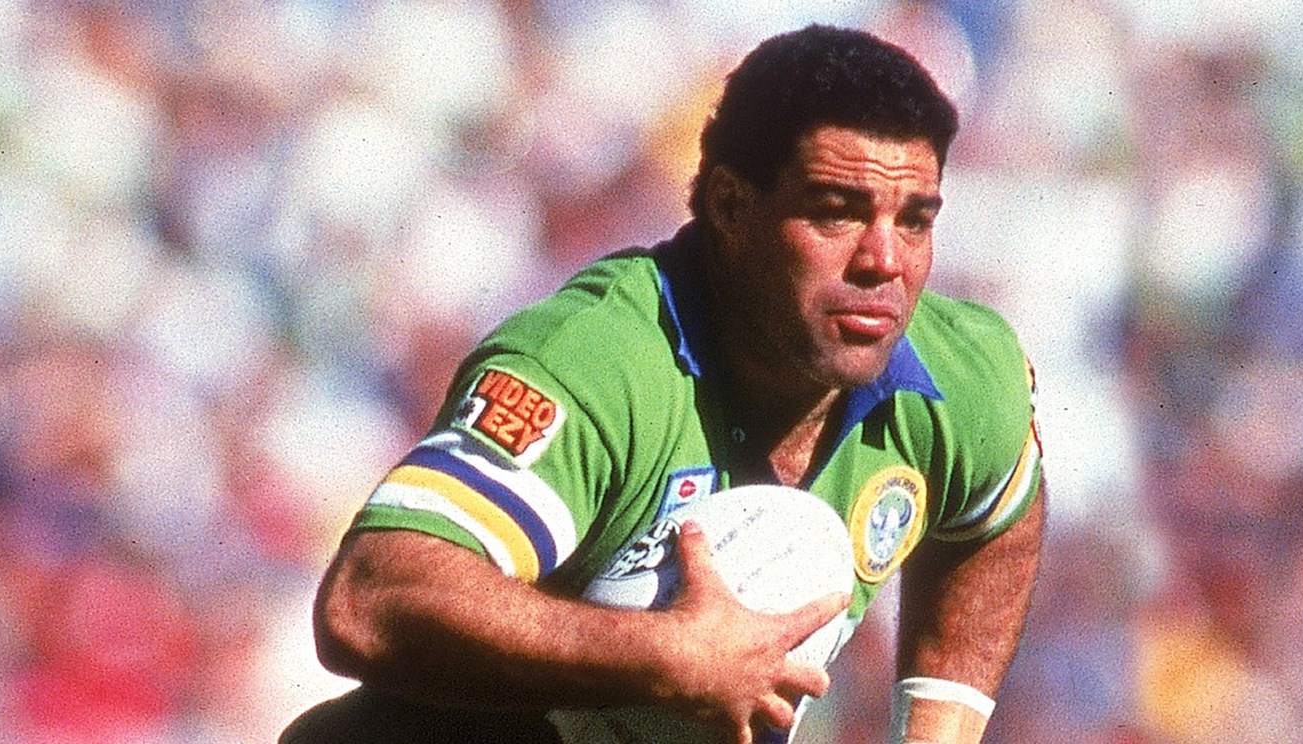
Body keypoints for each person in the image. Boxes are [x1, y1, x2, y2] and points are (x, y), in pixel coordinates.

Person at [284, 24, 1045, 744]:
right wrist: (665, 655)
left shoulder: (964, 375)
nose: (885, 261)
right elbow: (370, 598)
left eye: (915, 221)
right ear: (730, 208)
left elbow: (1001, 511)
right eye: (834, 213)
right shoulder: (599, 364)